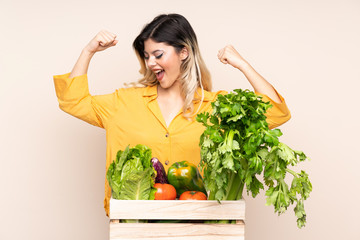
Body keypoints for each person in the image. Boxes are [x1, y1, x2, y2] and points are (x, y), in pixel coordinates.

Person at [53, 13, 291, 216]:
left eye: (158, 55)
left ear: (184, 53)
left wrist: (243, 65)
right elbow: (73, 101)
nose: (151, 64)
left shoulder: (217, 108)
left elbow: (276, 113)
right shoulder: (123, 103)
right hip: (135, 227)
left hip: (199, 225)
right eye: (147, 56)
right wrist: (88, 51)